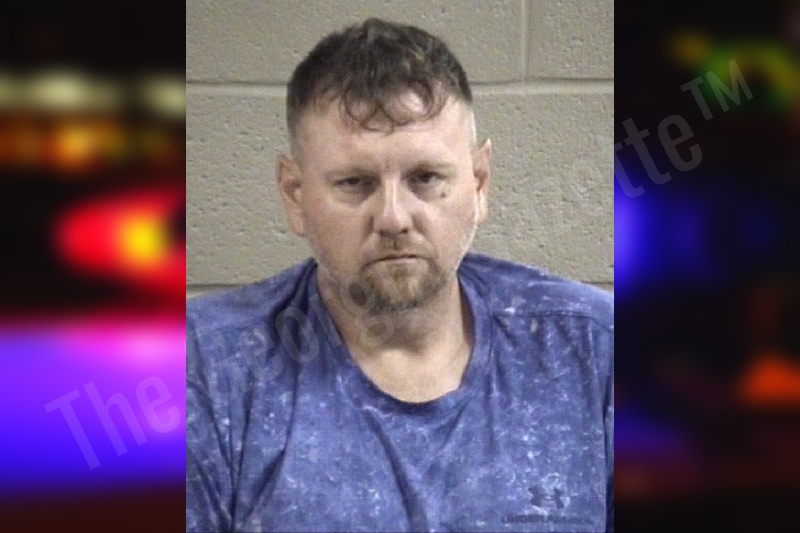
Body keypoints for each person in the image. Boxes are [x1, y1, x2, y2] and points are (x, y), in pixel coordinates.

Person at [186, 17, 613, 533]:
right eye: (355, 182)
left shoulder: (590, 350)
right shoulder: (209, 368)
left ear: (478, 184)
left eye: (425, 178)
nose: (393, 218)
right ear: (295, 196)